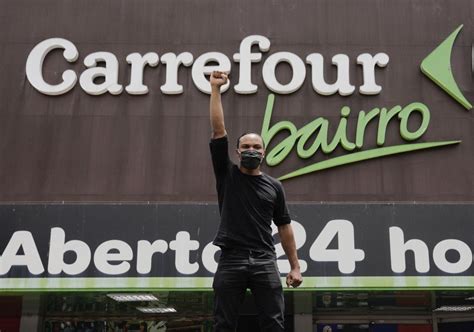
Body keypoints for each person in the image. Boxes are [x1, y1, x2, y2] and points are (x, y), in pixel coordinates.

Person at [209, 71, 303, 332]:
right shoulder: (226, 175)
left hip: (265, 260)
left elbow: (284, 226)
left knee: (274, 322)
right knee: (223, 324)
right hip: (231, 259)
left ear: (264, 153)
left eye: (256, 147)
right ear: (237, 152)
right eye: (246, 147)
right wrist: (215, 89)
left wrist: (295, 266)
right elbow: (218, 130)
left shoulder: (275, 186)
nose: (251, 150)